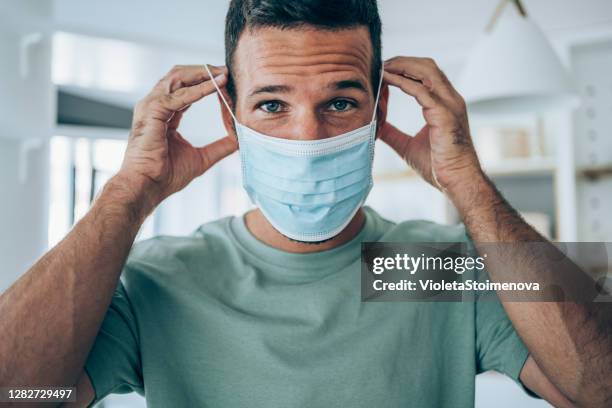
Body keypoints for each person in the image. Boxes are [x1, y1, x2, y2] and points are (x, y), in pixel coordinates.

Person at [1, 1, 610, 407]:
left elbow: (598, 386)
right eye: (271, 104)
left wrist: (467, 183)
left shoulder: (429, 266)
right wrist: (125, 198)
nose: (308, 139)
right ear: (229, 115)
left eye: (341, 102)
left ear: (380, 111)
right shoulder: (160, 278)